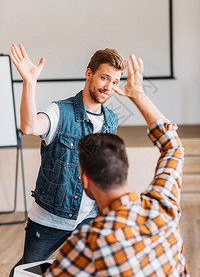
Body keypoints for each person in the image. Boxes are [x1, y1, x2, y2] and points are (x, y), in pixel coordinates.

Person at [44, 54, 189, 276]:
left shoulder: (87, 244)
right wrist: (138, 95)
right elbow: (173, 147)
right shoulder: (163, 205)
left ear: (85, 180)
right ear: (125, 170)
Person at [9, 44, 126, 276]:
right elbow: (30, 126)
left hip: (89, 218)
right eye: (104, 78)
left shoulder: (111, 120)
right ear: (89, 73)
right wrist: (29, 82)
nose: (108, 87)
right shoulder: (60, 111)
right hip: (49, 219)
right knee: (27, 272)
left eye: (114, 82)